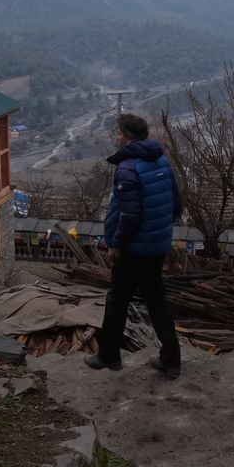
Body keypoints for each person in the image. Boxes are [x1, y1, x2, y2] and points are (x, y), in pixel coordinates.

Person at [85, 113, 182, 379]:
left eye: (118, 133)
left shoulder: (128, 168)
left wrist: (117, 245)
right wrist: (158, 232)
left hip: (133, 249)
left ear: (126, 137)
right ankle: (172, 361)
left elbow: (129, 215)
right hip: (157, 246)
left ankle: (109, 356)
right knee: (157, 301)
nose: (116, 137)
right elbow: (176, 204)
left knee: (117, 300)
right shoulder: (162, 160)